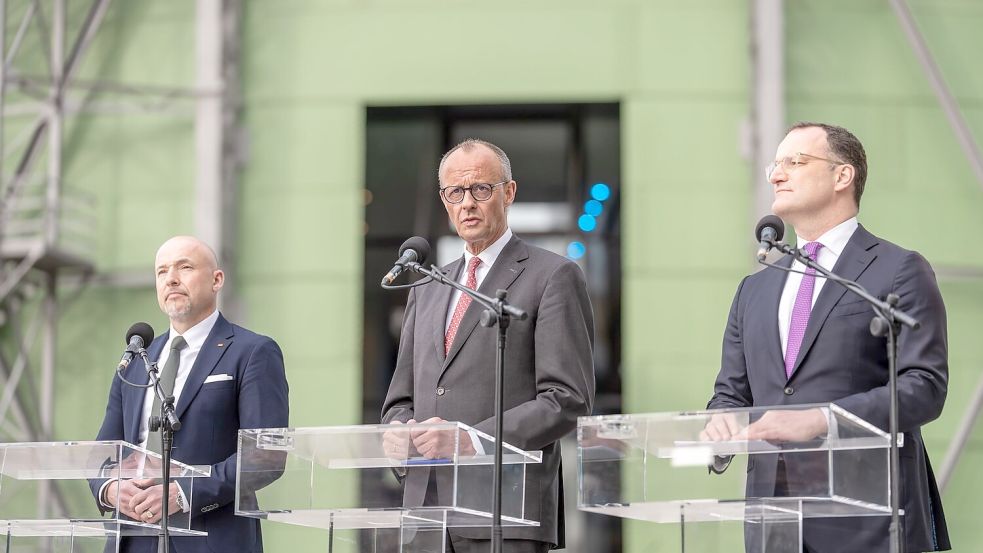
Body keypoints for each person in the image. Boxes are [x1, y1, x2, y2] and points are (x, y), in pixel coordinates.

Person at [705, 122, 950, 552]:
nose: (777, 175)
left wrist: (821, 419)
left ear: (843, 176)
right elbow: (731, 394)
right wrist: (720, 426)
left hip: (869, 519)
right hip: (774, 524)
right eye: (774, 167)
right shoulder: (754, 290)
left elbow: (923, 388)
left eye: (794, 163)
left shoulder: (898, 269)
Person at [381, 139, 595, 552]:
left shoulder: (553, 276)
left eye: (481, 189)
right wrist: (396, 432)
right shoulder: (427, 285)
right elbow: (400, 399)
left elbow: (567, 399)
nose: (468, 204)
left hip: (504, 512)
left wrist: (471, 440)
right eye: (455, 193)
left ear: (508, 193)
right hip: (426, 517)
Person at [92, 235, 289, 553]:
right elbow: (102, 452)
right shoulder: (135, 359)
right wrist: (111, 489)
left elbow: (265, 455)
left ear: (216, 279)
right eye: (161, 271)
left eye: (184, 267)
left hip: (213, 538)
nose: (171, 278)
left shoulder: (253, 352)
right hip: (132, 537)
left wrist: (182, 492)